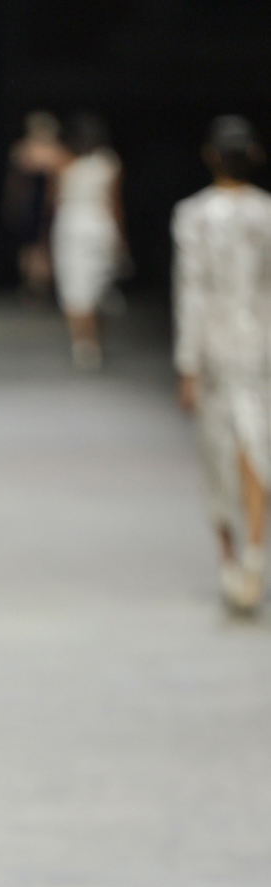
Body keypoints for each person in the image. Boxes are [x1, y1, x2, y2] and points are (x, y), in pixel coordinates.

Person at [173, 116, 271, 613]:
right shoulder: (267, 213)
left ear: (211, 156)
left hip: (213, 346)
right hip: (261, 344)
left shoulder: (193, 214)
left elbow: (192, 289)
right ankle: (254, 554)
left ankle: (231, 560)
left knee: (217, 452)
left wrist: (187, 363)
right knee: (256, 445)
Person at [51, 113, 127, 369]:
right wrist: (121, 239)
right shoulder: (108, 162)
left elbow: (54, 199)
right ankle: (93, 342)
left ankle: (84, 345)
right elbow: (115, 204)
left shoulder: (63, 162)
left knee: (75, 286)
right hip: (99, 223)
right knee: (96, 286)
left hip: (71, 223)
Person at [3, 111, 67, 296]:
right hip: (31, 205)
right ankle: (33, 284)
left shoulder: (56, 151)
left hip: (51, 206)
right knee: (31, 248)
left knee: (46, 246)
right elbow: (15, 181)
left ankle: (44, 284)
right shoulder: (24, 149)